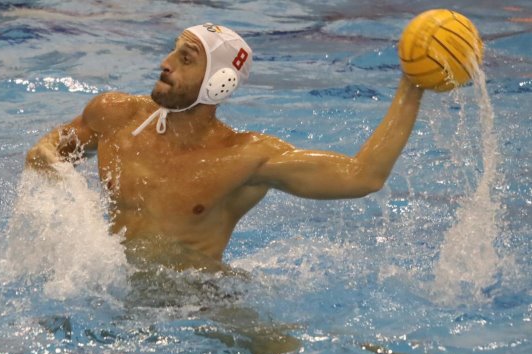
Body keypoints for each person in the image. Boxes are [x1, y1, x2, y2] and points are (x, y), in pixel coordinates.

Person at [25, 23, 423, 274]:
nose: (165, 63)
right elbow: (48, 151)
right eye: (172, 51)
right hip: (108, 286)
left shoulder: (246, 157)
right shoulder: (116, 115)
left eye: (185, 58)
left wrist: (411, 87)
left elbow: (363, 176)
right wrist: (47, 163)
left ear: (219, 84)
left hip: (197, 301)